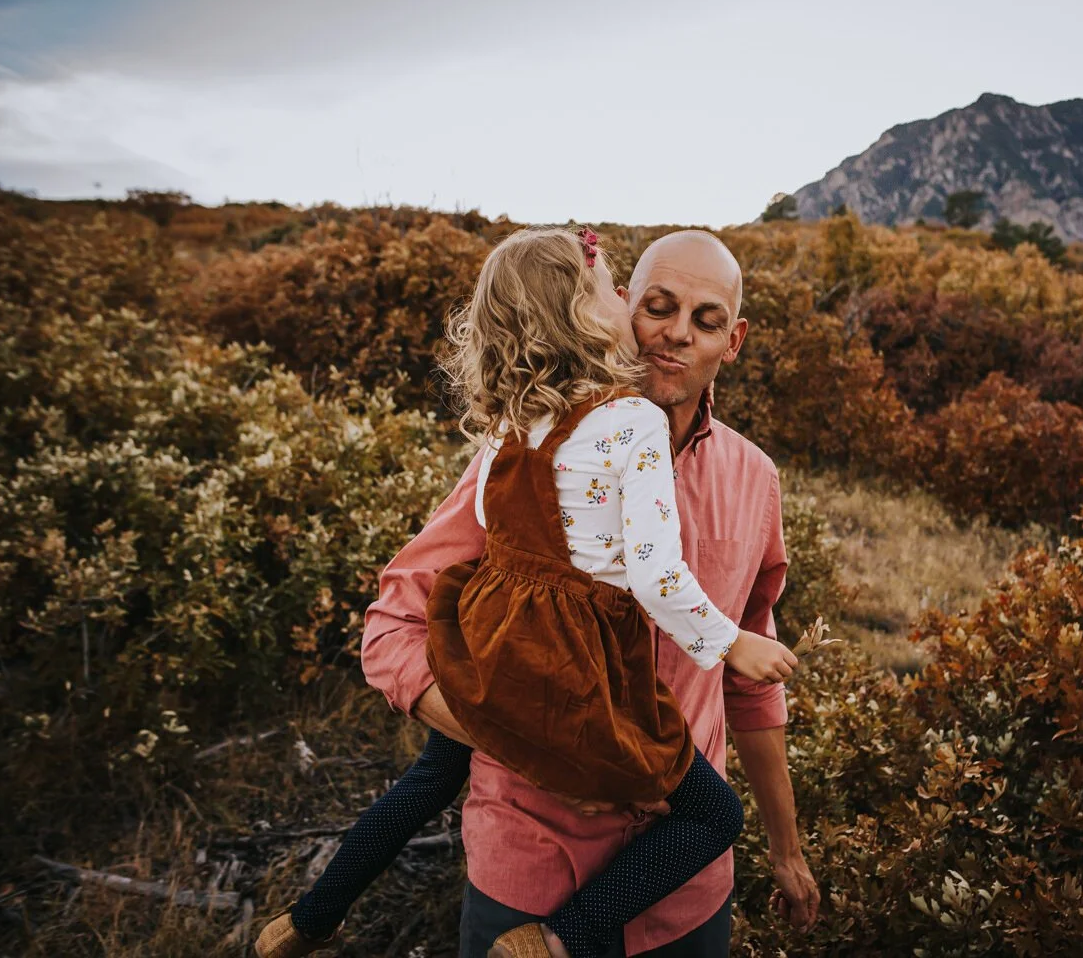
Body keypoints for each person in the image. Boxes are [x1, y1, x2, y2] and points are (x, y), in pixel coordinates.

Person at [254, 227, 800, 958]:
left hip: (684, 904)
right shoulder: (526, 447)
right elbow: (390, 628)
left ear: (732, 342)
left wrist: (788, 849)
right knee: (437, 774)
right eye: (656, 306)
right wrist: (537, 742)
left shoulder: (753, 479)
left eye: (703, 321)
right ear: (622, 309)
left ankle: (314, 917)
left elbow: (749, 693)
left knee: (428, 782)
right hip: (529, 871)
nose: (674, 335)